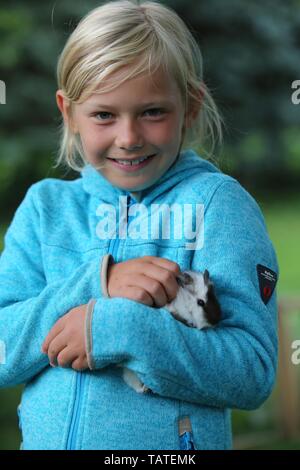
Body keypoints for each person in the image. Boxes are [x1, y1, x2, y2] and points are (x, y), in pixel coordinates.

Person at [0, 0, 279, 450]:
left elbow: (253, 370)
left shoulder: (217, 207)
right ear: (69, 112)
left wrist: (116, 329)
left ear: (190, 108)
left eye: (152, 112)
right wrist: (97, 285)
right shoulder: (44, 209)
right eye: (104, 115)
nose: (128, 137)